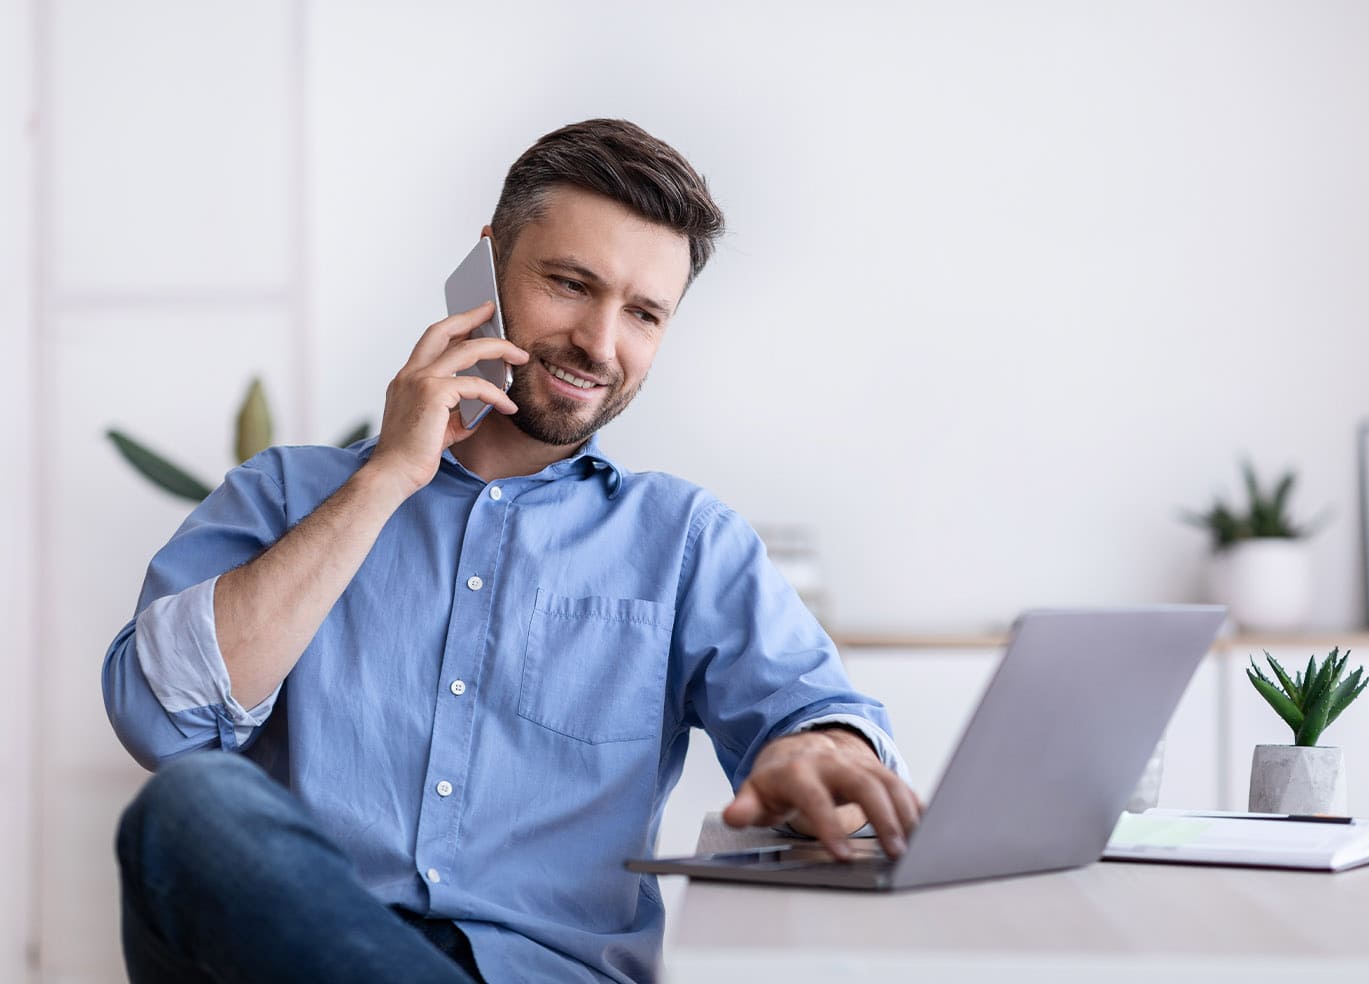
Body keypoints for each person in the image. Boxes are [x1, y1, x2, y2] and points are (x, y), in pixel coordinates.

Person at [102, 119, 920, 984]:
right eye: (571, 284)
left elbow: (817, 719)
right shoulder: (284, 496)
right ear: (488, 265)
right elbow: (160, 722)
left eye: (643, 314)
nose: (601, 344)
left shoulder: (684, 542)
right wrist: (385, 480)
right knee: (189, 808)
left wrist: (820, 752)